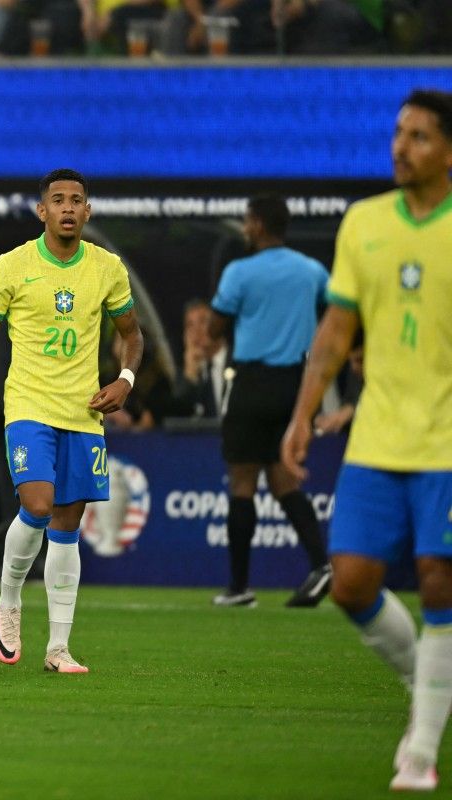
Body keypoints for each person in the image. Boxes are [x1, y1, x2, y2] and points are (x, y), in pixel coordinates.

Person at [281, 89, 452, 792]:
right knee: (350, 584)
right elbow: (336, 332)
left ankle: (422, 747)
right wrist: (303, 414)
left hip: (446, 440)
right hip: (378, 436)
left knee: (440, 578)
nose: (400, 147)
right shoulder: (364, 223)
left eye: (419, 136)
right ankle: (431, 687)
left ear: (448, 151)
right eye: (398, 133)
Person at [0, 168, 143, 676]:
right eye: (58, 200)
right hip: (28, 406)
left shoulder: (106, 268)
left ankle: (58, 648)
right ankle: (9, 600)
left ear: (87, 211)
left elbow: (132, 335)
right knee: (38, 505)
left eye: (77, 200)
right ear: (42, 211)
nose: (68, 207)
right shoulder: (13, 266)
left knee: (67, 526)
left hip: (83, 411)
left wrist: (125, 380)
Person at [208, 194, 330, 609]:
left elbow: (214, 327)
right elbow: (335, 315)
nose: (244, 228)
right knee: (284, 483)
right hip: (296, 385)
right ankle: (321, 565)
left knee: (242, 484)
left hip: (252, 383)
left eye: (247, 221)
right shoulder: (312, 271)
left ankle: (239, 587)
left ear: (258, 224)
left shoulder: (240, 271)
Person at [172, 298, 228, 419]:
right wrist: (190, 375)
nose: (196, 331)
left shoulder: (238, 361)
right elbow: (178, 419)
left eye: (203, 321)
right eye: (190, 325)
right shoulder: (186, 374)